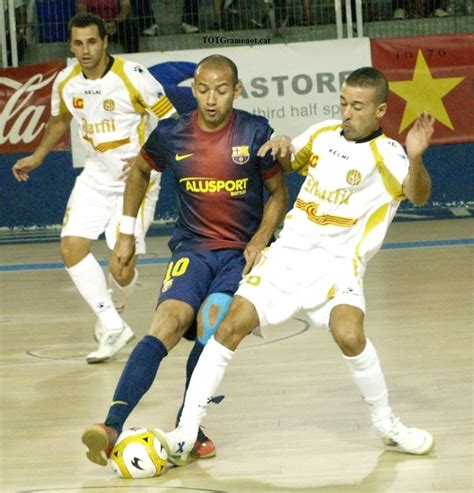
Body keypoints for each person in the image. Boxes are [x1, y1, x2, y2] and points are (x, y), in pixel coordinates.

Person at [162, 67, 436, 465]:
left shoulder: (390, 155)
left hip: (339, 265)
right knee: (229, 327)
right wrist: (283, 145)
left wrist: (415, 158)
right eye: (343, 102)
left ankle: (387, 424)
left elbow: (419, 195)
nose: (346, 112)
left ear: (380, 110)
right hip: (287, 255)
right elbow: (287, 164)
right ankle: (186, 431)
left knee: (349, 335)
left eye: (357, 106)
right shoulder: (324, 133)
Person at [81, 54, 289, 467]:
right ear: (194, 90)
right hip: (191, 250)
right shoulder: (171, 133)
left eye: (222, 90)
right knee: (168, 323)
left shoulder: (253, 131)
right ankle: (110, 426)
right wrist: (126, 231)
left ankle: (187, 424)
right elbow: (140, 171)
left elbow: (279, 194)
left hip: (237, 257)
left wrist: (262, 239)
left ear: (237, 90)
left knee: (211, 325)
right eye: (204, 89)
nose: (212, 99)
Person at [12, 13, 177, 363]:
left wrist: (150, 157)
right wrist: (38, 156)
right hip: (95, 177)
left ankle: (113, 298)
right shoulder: (66, 81)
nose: (85, 50)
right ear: (70, 45)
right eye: (77, 43)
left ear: (104, 42)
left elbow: (172, 121)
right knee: (71, 248)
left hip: (136, 182)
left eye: (91, 42)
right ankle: (112, 323)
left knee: (120, 267)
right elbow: (61, 119)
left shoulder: (133, 77)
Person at [76, 0, 141, 53]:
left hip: (117, 22)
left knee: (131, 25)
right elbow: (82, 11)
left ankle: (133, 55)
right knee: (83, 26)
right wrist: (100, 24)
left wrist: (115, 22)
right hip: (95, 23)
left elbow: (126, 7)